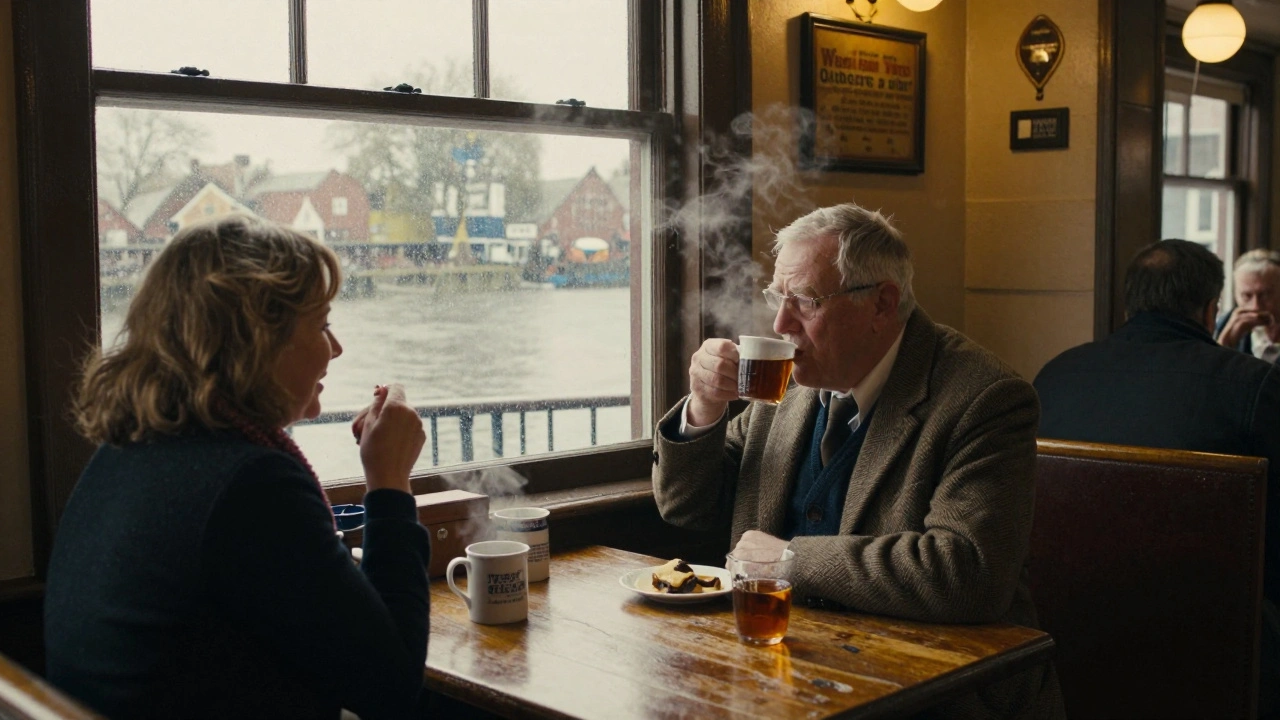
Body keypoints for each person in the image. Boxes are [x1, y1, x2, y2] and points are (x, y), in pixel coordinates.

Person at [652, 203, 1063, 719]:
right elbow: (686, 507)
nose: (781, 323)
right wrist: (703, 408)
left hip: (937, 691)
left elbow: (968, 573)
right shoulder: (788, 385)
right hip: (784, 677)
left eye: (805, 301)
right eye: (778, 297)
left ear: (881, 305)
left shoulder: (985, 397)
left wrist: (789, 560)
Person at [44, 215, 432, 720]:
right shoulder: (250, 485)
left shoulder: (132, 448)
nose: (336, 348)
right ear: (259, 340)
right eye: (322, 325)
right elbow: (391, 688)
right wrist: (389, 481)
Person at [1033, 238, 1280, 714]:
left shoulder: (1056, 373)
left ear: (1130, 305)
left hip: (1062, 630)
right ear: (1211, 310)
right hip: (1214, 649)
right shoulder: (1252, 385)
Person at [1216, 248, 1280, 363]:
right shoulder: (1225, 324)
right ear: (1235, 295)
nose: (1255, 307)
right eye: (1246, 296)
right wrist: (1226, 342)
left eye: (1265, 295)